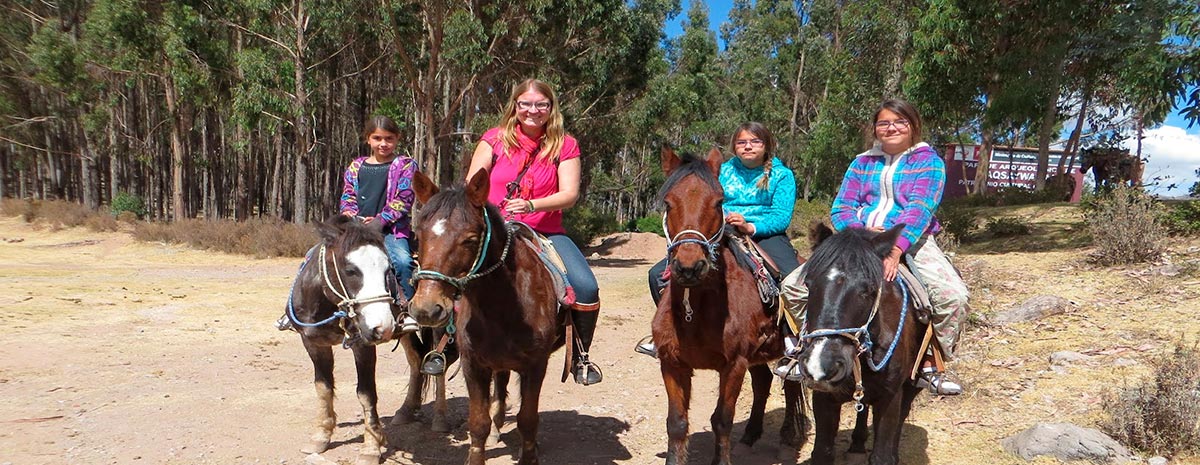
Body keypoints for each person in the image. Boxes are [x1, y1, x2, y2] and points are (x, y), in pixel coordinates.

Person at [778, 99, 969, 395]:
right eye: (884, 123)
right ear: (875, 128)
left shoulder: (928, 161)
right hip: (858, 240)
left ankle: (932, 363)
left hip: (912, 240)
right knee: (792, 286)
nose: (891, 127)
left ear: (913, 125)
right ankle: (806, 347)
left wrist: (895, 249)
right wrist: (861, 233)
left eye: (899, 121)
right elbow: (842, 207)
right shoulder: (862, 162)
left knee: (951, 296)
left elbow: (920, 209)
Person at [463, 78, 603, 386]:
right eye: (525, 104)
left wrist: (531, 204)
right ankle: (445, 346)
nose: (533, 111)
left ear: (551, 109)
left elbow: (569, 194)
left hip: (545, 231)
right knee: (453, 276)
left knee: (586, 287)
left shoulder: (565, 145)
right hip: (494, 229)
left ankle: (581, 355)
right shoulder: (493, 140)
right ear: (515, 106)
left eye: (541, 105)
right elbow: (472, 185)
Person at [636, 122, 802, 357]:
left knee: (792, 278)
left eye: (755, 141)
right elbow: (702, 201)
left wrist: (750, 225)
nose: (748, 147)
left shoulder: (782, 175)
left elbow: (781, 216)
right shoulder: (720, 170)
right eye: (742, 142)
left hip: (765, 234)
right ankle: (669, 330)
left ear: (767, 146)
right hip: (720, 230)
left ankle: (792, 337)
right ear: (734, 146)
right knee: (657, 275)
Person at [277, 115, 419, 335]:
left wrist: (380, 221)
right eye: (377, 138)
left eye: (389, 138)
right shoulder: (356, 167)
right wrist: (353, 219)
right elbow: (348, 196)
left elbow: (404, 198)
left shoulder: (406, 165)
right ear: (368, 139)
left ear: (397, 139)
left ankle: (406, 310)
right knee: (312, 255)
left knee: (402, 261)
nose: (383, 144)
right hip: (356, 229)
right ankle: (294, 309)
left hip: (390, 230)